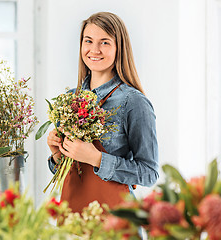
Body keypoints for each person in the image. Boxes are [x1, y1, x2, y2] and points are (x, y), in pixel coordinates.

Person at [47, 12, 159, 213]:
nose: (94, 50)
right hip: (73, 220)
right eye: (88, 41)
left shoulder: (133, 102)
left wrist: (97, 159)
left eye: (105, 42)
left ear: (119, 48)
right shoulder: (71, 99)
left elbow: (149, 173)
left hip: (116, 222)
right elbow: (70, 172)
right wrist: (58, 154)